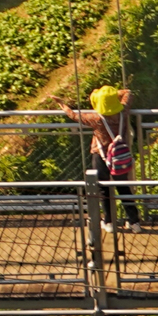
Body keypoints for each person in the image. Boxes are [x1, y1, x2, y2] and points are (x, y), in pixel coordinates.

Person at [60, 85, 141, 231]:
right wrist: (114, 94)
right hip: (119, 156)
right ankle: (134, 221)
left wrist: (62, 104)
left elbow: (73, 115)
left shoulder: (96, 118)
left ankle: (109, 221)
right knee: (123, 188)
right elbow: (128, 92)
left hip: (101, 155)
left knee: (103, 188)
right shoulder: (123, 111)